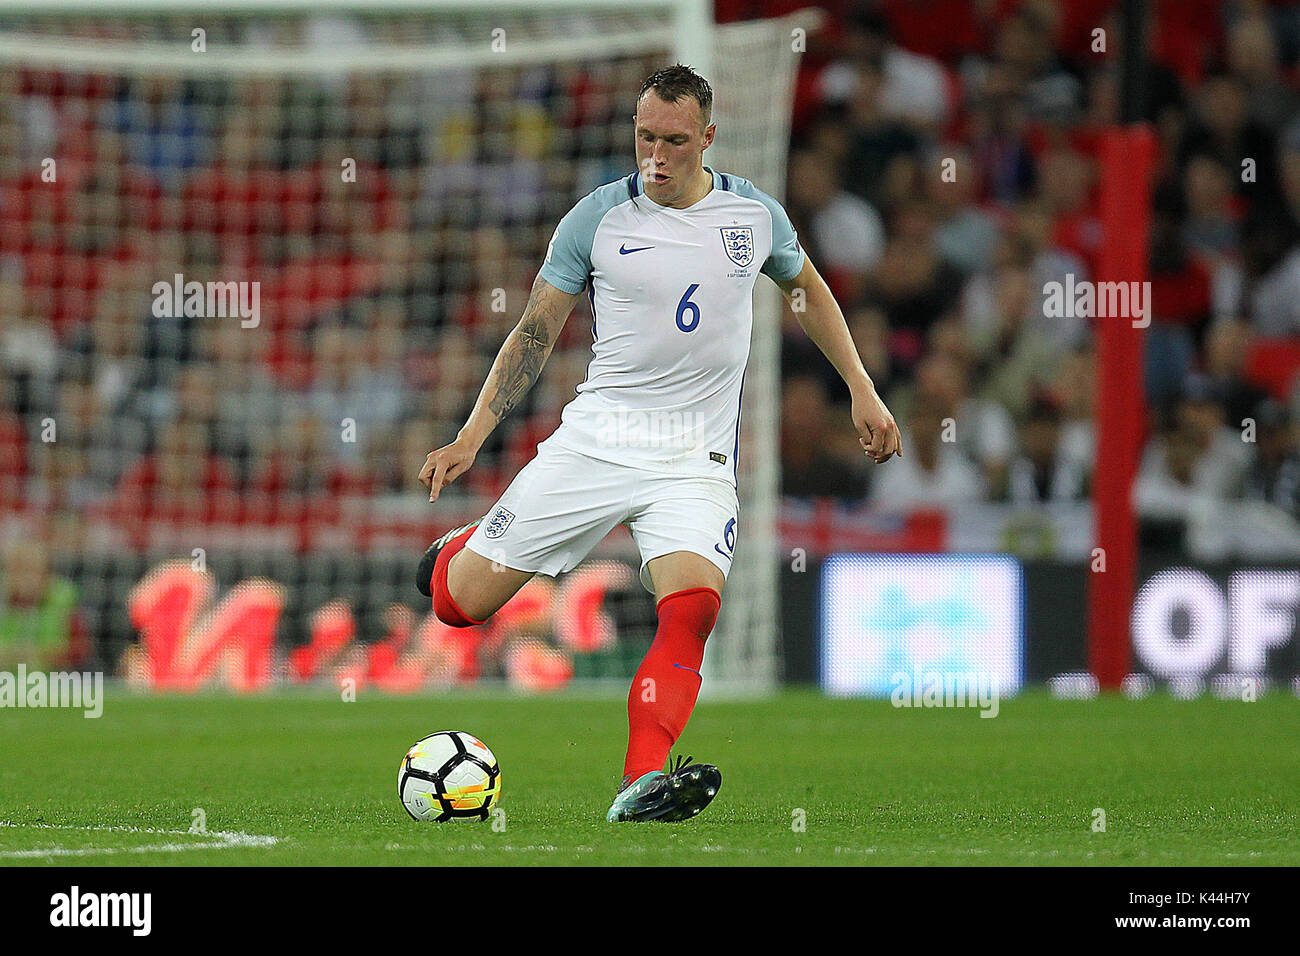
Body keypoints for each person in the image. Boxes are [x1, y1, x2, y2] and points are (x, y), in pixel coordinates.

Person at [414, 65, 901, 822]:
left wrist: (862, 388)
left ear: (707, 138)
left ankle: (637, 783)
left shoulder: (753, 216)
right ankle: (459, 550)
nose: (658, 157)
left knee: (694, 609)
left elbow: (807, 293)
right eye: (646, 139)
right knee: (459, 605)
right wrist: (472, 434)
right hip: (598, 439)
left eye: (675, 141)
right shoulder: (597, 219)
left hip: (694, 460)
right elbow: (536, 331)